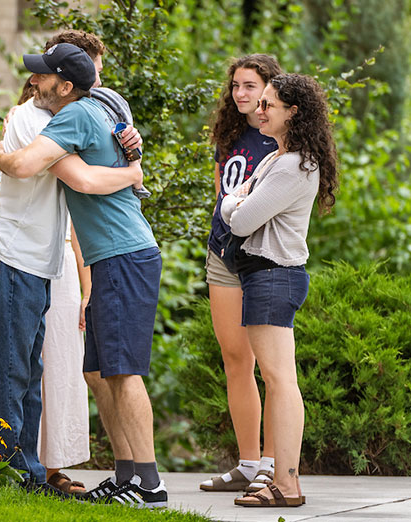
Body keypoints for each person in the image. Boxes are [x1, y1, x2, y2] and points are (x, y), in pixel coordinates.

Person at [0, 45, 168, 510]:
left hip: (121, 254)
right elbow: (109, 164)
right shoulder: (107, 104)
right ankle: (127, 475)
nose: (34, 83)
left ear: (65, 86)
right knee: (98, 369)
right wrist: (132, 170)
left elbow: (38, 168)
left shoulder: (72, 116)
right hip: (117, 255)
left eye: (43, 77)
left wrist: (5, 156)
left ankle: (149, 486)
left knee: (123, 370)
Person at [221, 73, 338, 507]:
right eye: (261, 101)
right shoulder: (277, 157)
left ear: (295, 112)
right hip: (264, 276)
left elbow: (238, 217)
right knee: (277, 379)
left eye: (270, 104)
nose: (260, 109)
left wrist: (235, 201)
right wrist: (238, 200)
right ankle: (283, 482)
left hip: (274, 275)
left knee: (280, 381)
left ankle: (286, 484)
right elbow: (238, 201)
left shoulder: (292, 165)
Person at [200, 54, 283, 494]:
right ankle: (248, 463)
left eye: (250, 86)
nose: (241, 94)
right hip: (223, 254)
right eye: (235, 86)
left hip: (263, 259)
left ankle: (274, 464)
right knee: (236, 360)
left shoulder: (282, 138)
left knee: (273, 368)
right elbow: (221, 193)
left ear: (271, 88)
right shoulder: (230, 133)